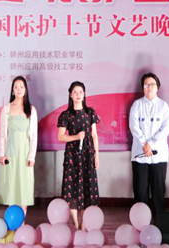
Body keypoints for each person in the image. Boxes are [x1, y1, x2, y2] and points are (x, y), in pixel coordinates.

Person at [57, 81, 99, 229]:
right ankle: (75, 224)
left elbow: (94, 135)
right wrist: (76, 137)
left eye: (81, 92)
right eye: (75, 92)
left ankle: (83, 224)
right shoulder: (66, 115)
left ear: (84, 94)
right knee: (72, 189)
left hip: (88, 154)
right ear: (70, 95)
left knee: (87, 187)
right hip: (72, 156)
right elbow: (61, 136)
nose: (78, 95)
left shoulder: (90, 113)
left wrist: (97, 156)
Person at [129, 73, 169, 217]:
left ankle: (159, 221)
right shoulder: (137, 105)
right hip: (140, 154)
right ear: (143, 88)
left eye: (152, 84)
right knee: (140, 190)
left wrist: (151, 144)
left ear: (157, 87)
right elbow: (134, 126)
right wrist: (144, 143)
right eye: (146, 85)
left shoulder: (163, 106)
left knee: (158, 191)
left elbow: (166, 128)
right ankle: (140, 221)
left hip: (159, 155)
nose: (149, 87)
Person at [0, 76, 38, 218]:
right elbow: (3, 134)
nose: (19, 89)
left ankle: (22, 224)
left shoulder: (31, 110)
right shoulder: (6, 109)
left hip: (25, 153)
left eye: (21, 87)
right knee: (11, 186)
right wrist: (2, 154)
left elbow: (33, 136)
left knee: (24, 188)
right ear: (12, 90)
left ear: (26, 90)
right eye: (16, 87)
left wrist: (32, 156)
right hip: (11, 152)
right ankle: (12, 223)